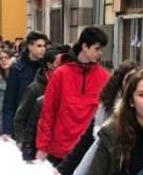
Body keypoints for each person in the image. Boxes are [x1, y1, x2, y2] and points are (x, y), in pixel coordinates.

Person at [36, 26, 110, 164]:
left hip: (88, 154)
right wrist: (42, 147)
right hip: (59, 151)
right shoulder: (61, 74)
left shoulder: (105, 77)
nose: (100, 53)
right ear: (84, 46)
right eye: (97, 48)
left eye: (101, 49)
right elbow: (48, 113)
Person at [14, 47, 64, 161]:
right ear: (49, 65)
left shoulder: (66, 87)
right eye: (58, 64)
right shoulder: (35, 89)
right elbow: (20, 117)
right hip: (37, 146)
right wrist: (22, 141)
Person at [1, 30, 48, 138]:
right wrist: (7, 130)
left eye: (44, 46)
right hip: (22, 125)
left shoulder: (46, 68)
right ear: (30, 46)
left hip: (41, 124)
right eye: (39, 46)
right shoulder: (17, 69)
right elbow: (9, 102)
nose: (42, 49)